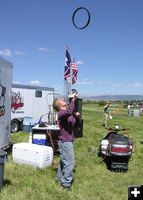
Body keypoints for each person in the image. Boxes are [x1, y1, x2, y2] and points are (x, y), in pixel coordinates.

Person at [53, 93, 80, 190]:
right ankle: (66, 184)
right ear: (59, 105)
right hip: (65, 142)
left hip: (68, 140)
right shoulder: (61, 113)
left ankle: (59, 178)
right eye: (60, 100)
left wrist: (76, 117)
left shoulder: (67, 113)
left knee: (63, 161)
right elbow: (68, 112)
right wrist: (72, 100)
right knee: (70, 162)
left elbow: (74, 124)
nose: (62, 99)